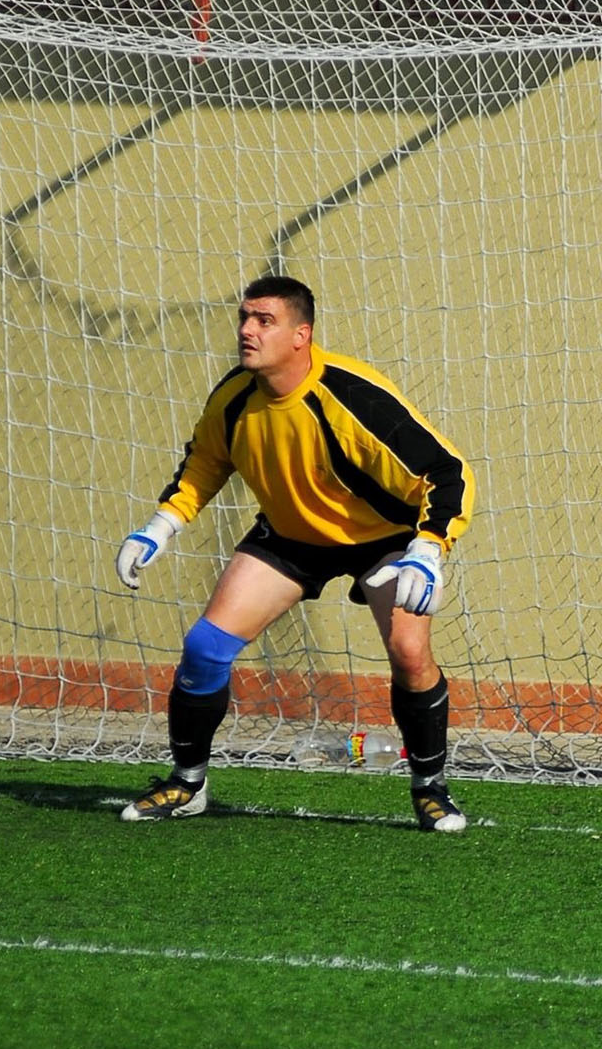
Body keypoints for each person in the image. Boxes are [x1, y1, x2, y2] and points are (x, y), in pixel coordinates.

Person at [113, 274, 476, 831]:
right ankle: (188, 783)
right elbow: (206, 461)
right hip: (289, 537)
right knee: (205, 648)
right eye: (244, 318)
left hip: (383, 539)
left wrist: (429, 548)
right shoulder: (234, 397)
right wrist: (161, 525)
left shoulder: (353, 397)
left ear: (301, 335)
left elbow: (448, 471)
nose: (247, 331)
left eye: (264, 321)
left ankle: (431, 788)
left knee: (408, 652)